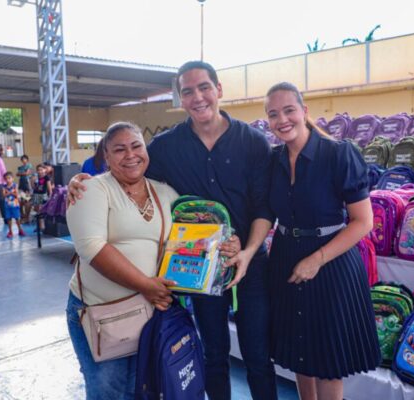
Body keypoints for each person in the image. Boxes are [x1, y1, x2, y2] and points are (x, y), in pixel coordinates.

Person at [69, 61, 277, 400]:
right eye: (188, 91)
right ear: (181, 98)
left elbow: (264, 207)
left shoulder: (253, 142)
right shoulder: (165, 147)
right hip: (198, 268)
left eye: (204, 87)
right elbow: (129, 167)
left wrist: (247, 251)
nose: (198, 97)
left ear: (218, 89)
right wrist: (84, 181)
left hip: (250, 264)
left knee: (258, 356)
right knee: (213, 354)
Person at [264, 82, 380, 400]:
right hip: (285, 256)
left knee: (328, 360)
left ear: (304, 111)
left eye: (289, 110)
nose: (282, 120)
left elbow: (363, 222)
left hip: (331, 262)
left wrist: (316, 260)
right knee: (301, 351)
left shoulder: (338, 154)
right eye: (273, 114)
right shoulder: (272, 160)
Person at [65, 121, 180, 399]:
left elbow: (190, 237)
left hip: (149, 314)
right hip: (101, 315)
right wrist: (146, 285)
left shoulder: (165, 193)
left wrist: (223, 242)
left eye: (136, 146)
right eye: (119, 149)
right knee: (109, 392)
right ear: (106, 156)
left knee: (142, 389)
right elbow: (91, 247)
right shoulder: (91, 190)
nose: (130, 155)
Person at [2, 172, 25, 238]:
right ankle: (10, 231)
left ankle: (20, 230)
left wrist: (9, 193)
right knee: (9, 218)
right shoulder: (4, 186)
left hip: (15, 204)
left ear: (12, 178)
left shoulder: (15, 185)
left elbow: (16, 194)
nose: (8, 180)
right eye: (6, 179)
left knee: (17, 218)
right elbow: (3, 195)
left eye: (9, 178)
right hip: (7, 205)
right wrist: (10, 193)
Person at [31, 164, 53, 231]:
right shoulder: (36, 177)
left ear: (45, 170)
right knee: (37, 210)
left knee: (40, 209)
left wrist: (50, 196)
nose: (40, 171)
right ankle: (39, 226)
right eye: (38, 170)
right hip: (36, 194)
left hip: (43, 195)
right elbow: (33, 187)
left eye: (41, 169)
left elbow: (49, 188)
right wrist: (32, 181)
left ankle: (42, 225)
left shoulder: (46, 178)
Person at [17, 155, 34, 223]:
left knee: (27, 200)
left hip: (27, 184)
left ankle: (27, 216)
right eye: (22, 159)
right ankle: (22, 215)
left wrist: (21, 173)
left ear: (27, 160)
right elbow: (17, 174)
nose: (23, 160)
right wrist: (22, 173)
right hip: (21, 184)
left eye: (25, 159)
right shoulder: (20, 167)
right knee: (20, 201)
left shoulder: (29, 165)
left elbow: (27, 173)